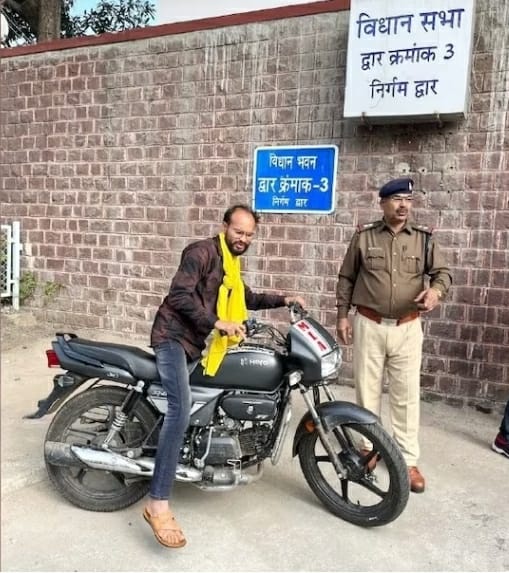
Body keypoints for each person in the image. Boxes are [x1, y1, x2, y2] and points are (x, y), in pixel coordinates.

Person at [144, 204, 305, 548]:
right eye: (239, 232)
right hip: (172, 338)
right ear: (225, 227)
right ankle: (157, 503)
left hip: (194, 344)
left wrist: (283, 298)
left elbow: (247, 296)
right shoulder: (201, 252)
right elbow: (179, 295)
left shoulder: (231, 262)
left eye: (249, 234)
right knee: (180, 407)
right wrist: (217, 323)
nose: (243, 239)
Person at [335, 177, 452, 493]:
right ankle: (368, 449)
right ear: (382, 203)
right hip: (369, 324)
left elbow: (442, 273)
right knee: (367, 392)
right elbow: (346, 278)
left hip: (408, 327)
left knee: (406, 395)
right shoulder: (364, 237)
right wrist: (342, 317)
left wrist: (435, 292)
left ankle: (406, 458)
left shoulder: (425, 240)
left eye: (408, 200)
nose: (403, 205)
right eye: (397, 199)